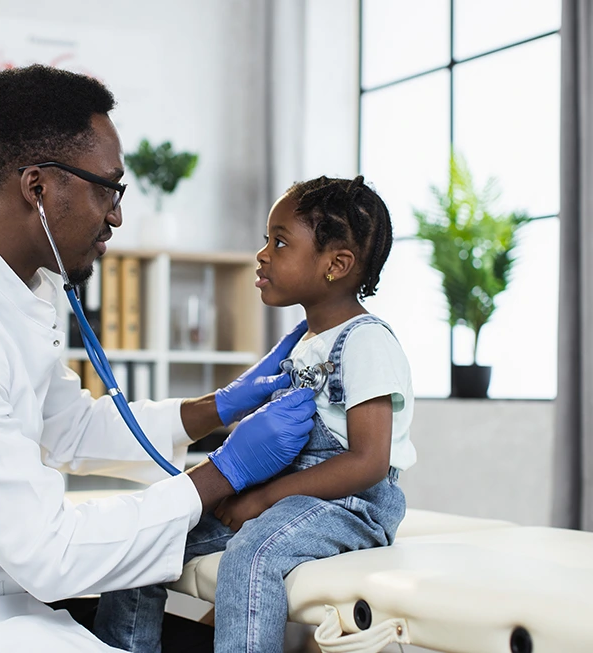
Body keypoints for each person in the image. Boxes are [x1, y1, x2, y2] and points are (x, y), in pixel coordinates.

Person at [0, 65, 318, 653]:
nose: (117, 215)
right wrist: (222, 473)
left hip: (0, 605)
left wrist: (215, 408)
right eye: (108, 187)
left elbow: (69, 429)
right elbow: (50, 552)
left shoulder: (23, 287)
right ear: (39, 188)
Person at [94, 175, 416, 653]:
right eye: (267, 239)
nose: (263, 254)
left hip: (348, 506)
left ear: (337, 265)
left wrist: (264, 498)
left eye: (280, 242)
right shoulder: (304, 341)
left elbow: (368, 462)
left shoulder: (365, 340)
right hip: (285, 494)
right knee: (149, 540)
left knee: (252, 556)